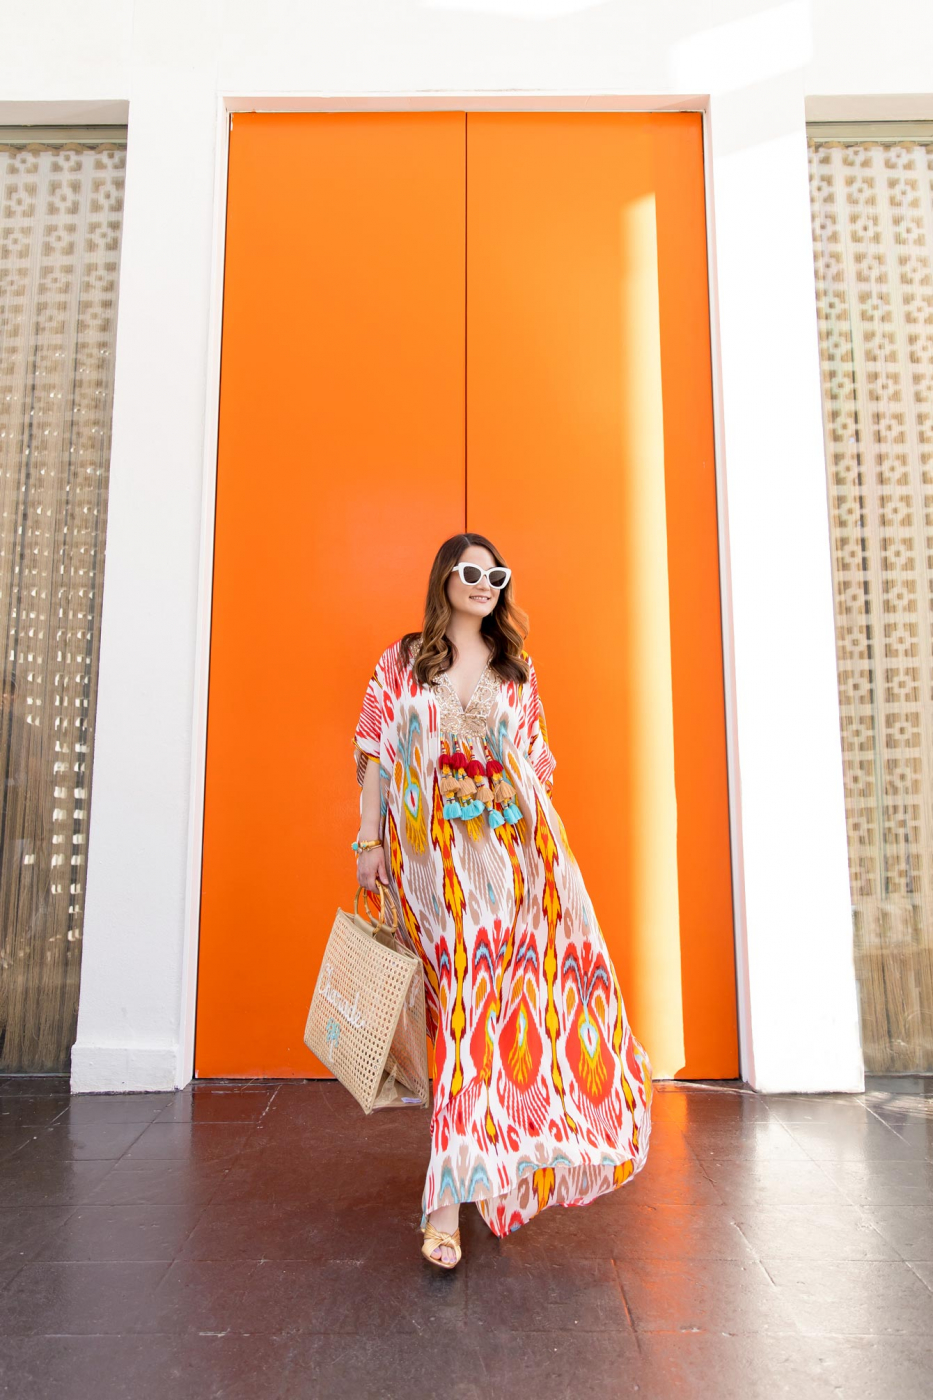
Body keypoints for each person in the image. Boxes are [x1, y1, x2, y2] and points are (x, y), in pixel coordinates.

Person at [353, 533, 653, 1269]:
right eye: (470, 571)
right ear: (444, 579)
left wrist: (546, 877)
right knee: (458, 1020)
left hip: (506, 871)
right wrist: (366, 847)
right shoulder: (401, 662)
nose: (484, 583)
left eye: (496, 574)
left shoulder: (516, 671)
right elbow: (374, 757)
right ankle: (463, 1179)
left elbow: (536, 775)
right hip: (429, 873)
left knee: (479, 1025)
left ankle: (445, 1204)